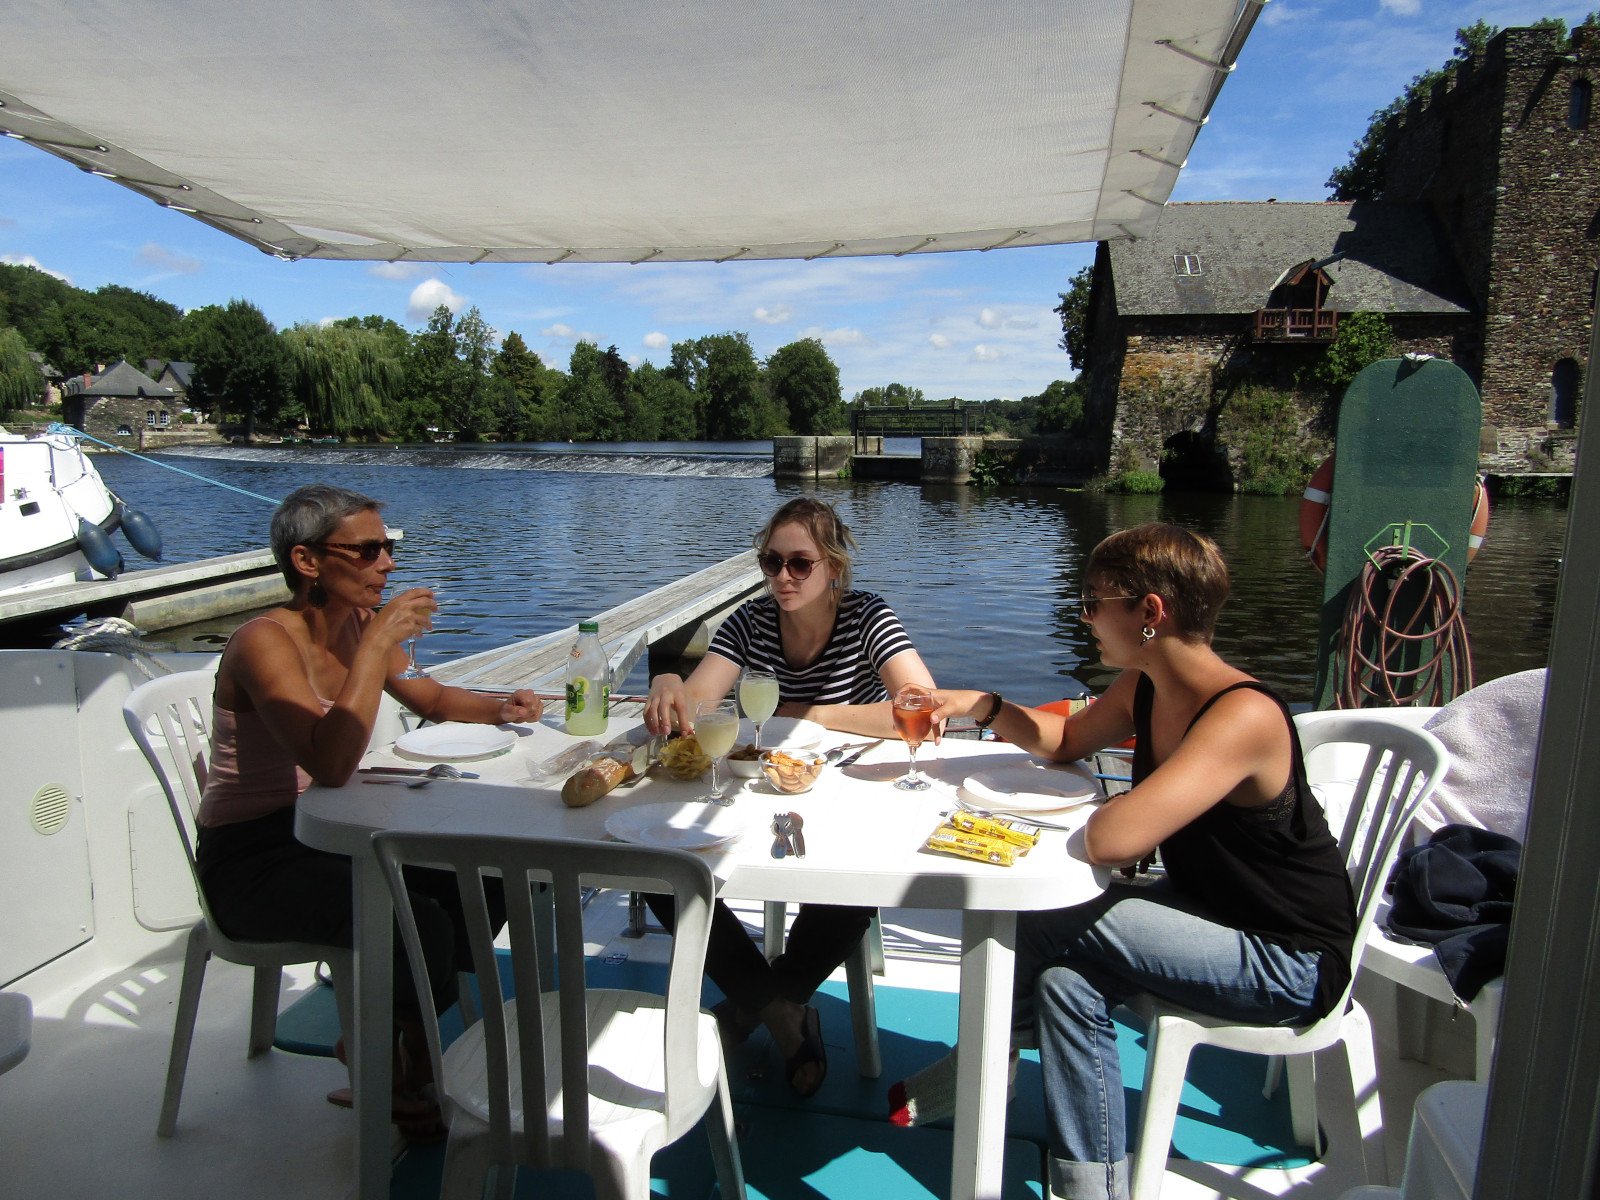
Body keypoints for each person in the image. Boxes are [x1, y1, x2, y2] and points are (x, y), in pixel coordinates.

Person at [887, 522, 1356, 1200]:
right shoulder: (1147, 687)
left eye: (1094, 601)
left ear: (1149, 613)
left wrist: (1098, 818)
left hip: (1285, 955)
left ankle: (985, 1065)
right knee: (1062, 986)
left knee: (1041, 921)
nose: (1085, 617)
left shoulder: (1241, 714)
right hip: (1207, 913)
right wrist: (987, 706)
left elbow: (1114, 842)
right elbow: (1072, 738)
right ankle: (1091, 1188)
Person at [194, 484, 542, 1137]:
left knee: (481, 882)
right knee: (421, 917)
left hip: (331, 830)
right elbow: (329, 763)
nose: (388, 563)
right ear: (307, 562)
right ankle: (389, 1062)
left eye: (390, 548)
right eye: (370, 550)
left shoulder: (355, 626)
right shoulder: (265, 643)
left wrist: (501, 707)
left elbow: (430, 697)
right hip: (252, 859)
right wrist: (378, 643)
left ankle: (404, 1029)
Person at [643, 496, 936, 1096]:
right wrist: (670, 682)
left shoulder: (868, 618)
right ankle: (779, 1008)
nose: (782, 577)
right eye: (771, 562)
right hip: (759, 793)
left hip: (845, 793)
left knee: (862, 872)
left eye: (800, 563)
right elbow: (702, 702)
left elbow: (920, 704)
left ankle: (759, 1001)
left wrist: (806, 711)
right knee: (656, 871)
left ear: (834, 566)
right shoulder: (750, 624)